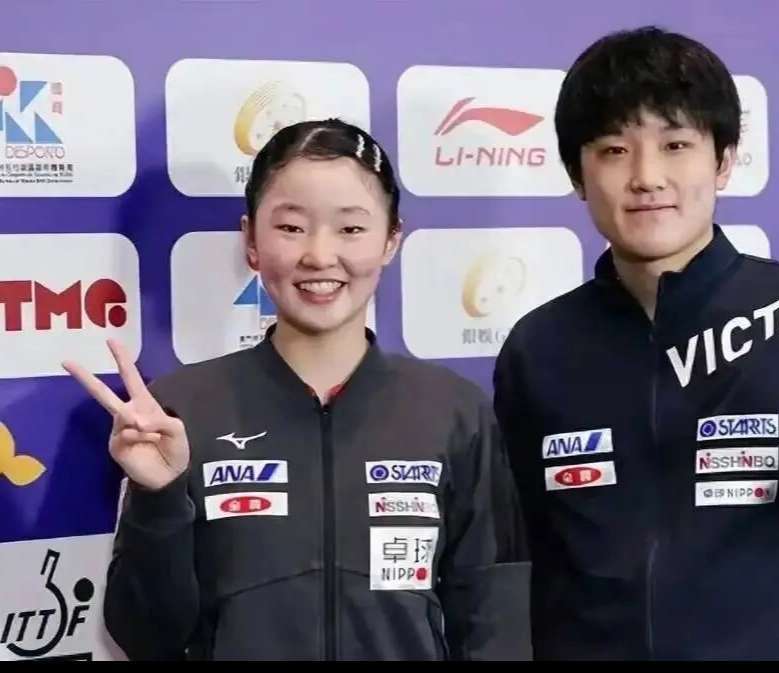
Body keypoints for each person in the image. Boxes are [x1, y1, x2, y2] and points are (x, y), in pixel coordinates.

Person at [492, 26, 779, 660]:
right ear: (578, 174)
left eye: (676, 144)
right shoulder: (537, 349)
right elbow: (516, 562)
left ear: (724, 161)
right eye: (614, 150)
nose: (647, 177)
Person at [63, 118, 530, 661]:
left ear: (391, 240)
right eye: (291, 227)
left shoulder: (454, 411)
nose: (319, 255)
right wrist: (158, 499)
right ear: (251, 241)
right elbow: (145, 636)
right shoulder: (179, 412)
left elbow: (497, 618)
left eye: (350, 229)